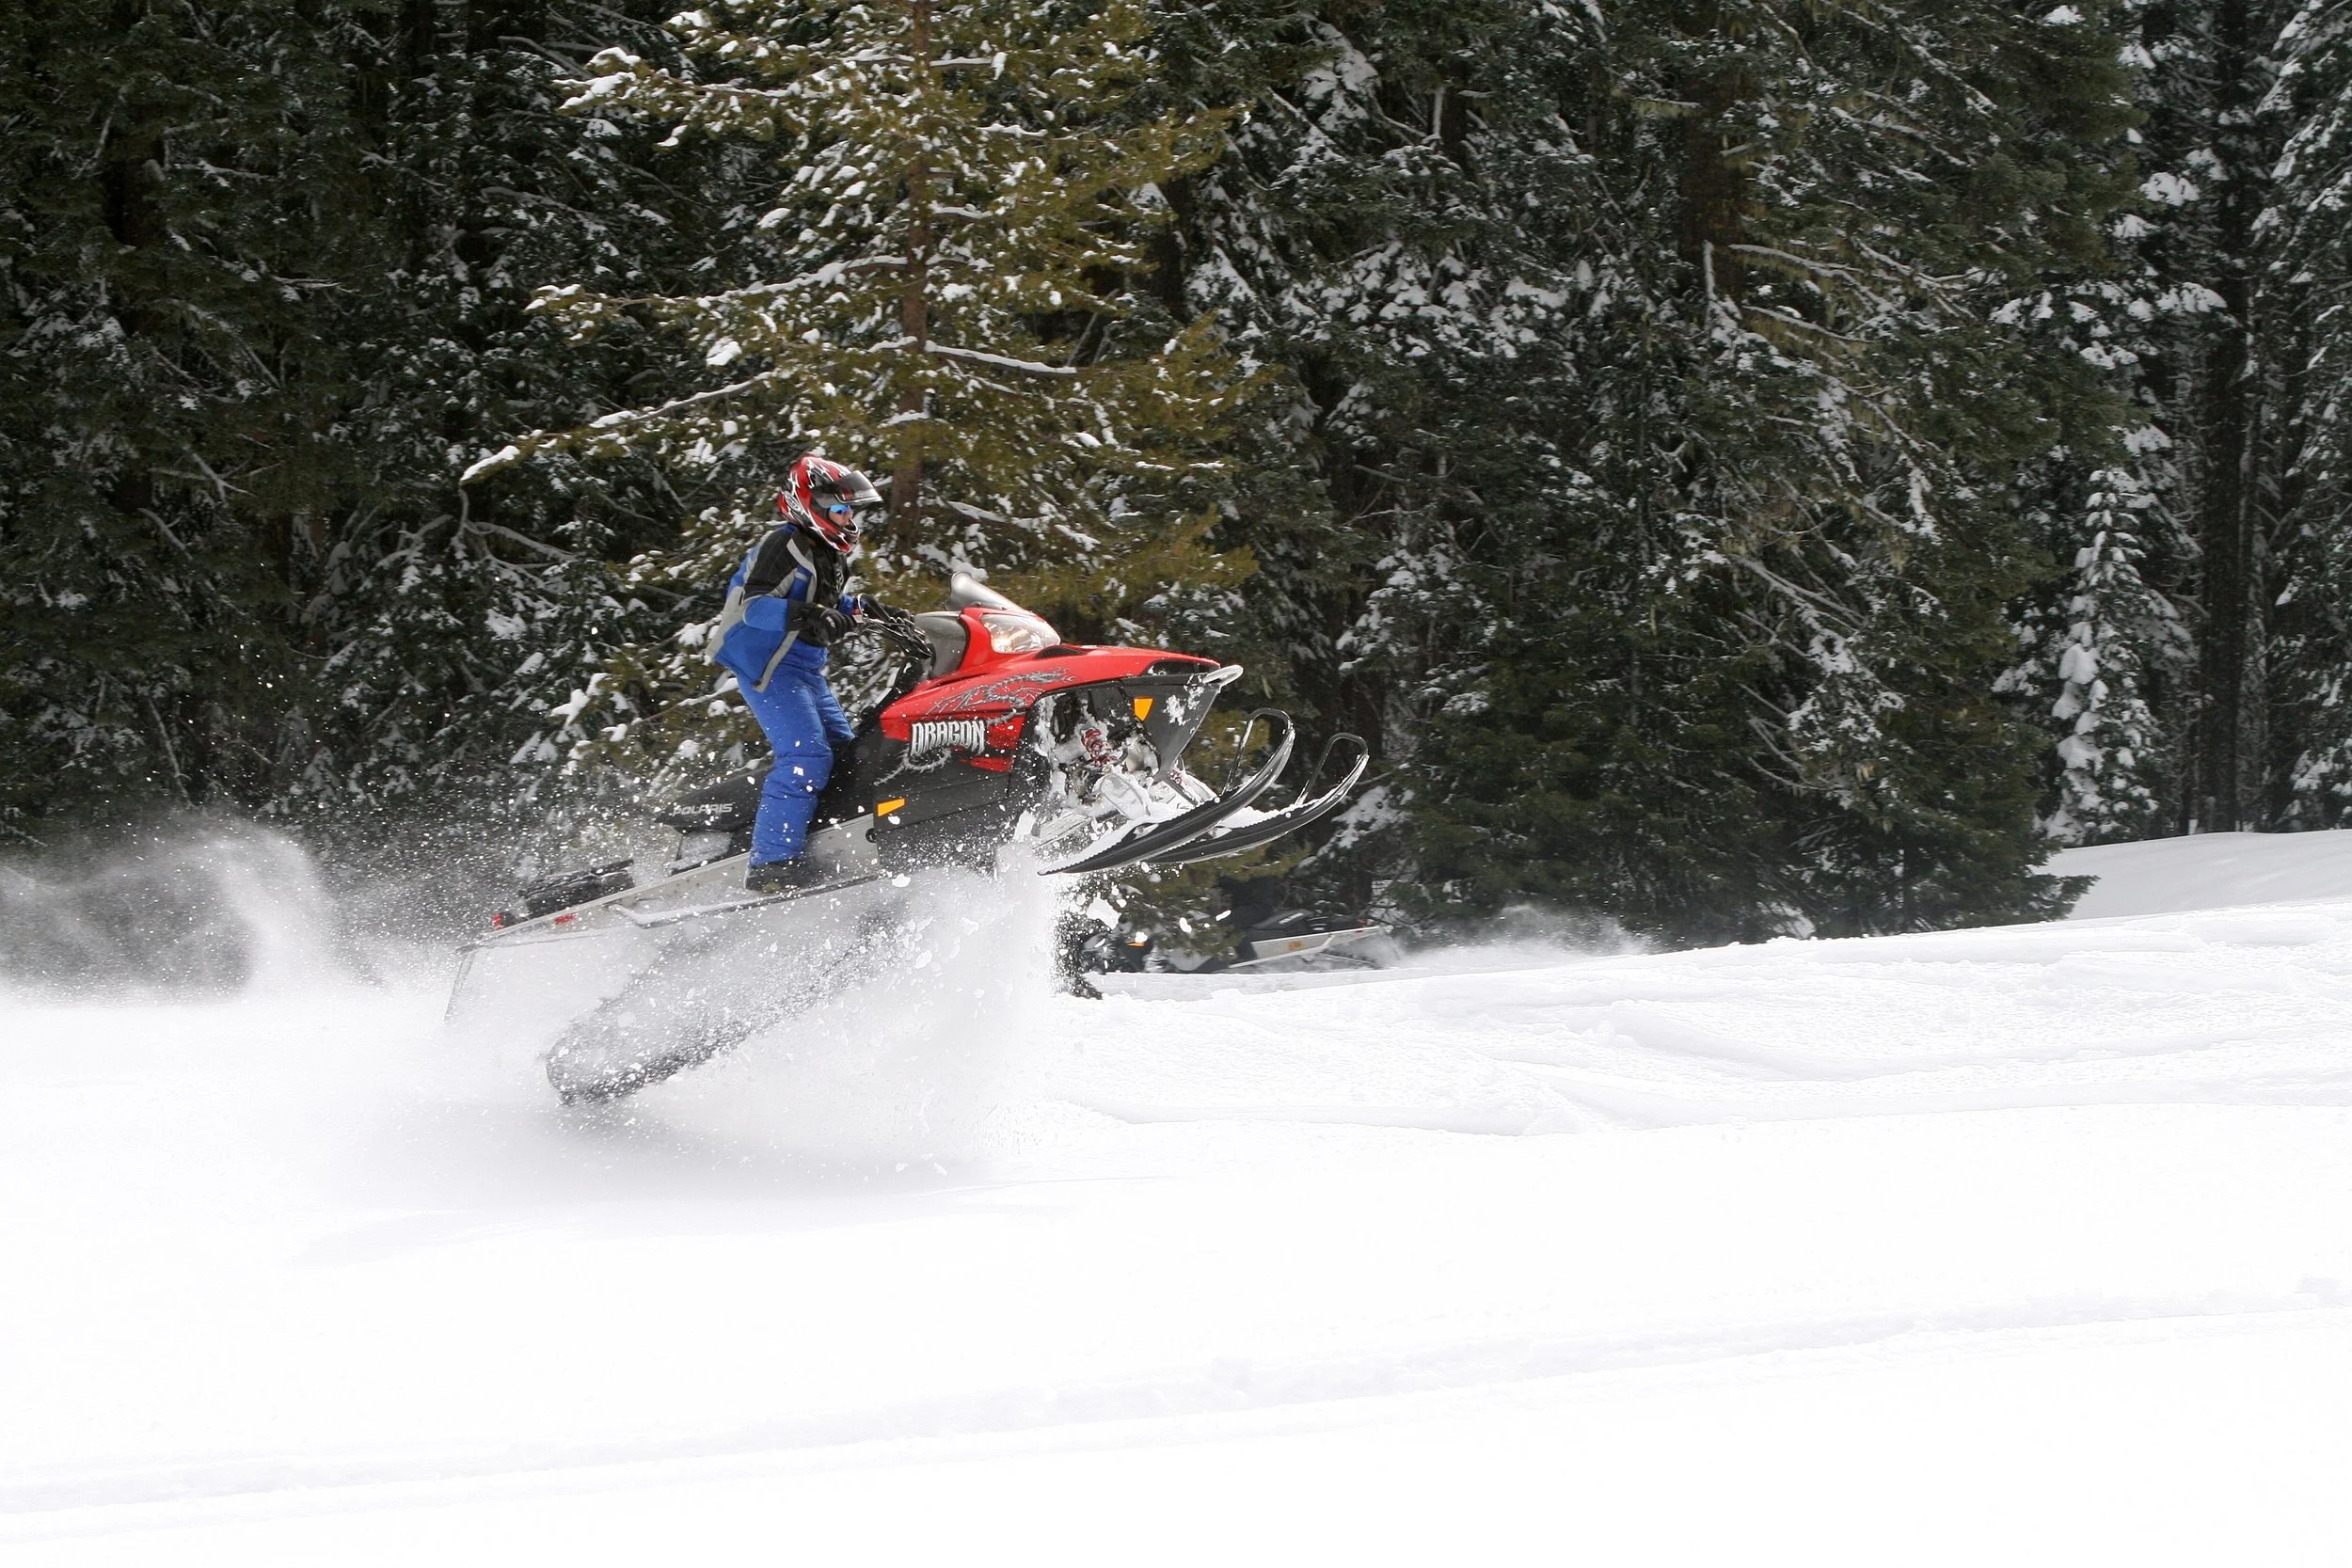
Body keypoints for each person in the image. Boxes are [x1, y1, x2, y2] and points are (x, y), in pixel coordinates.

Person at [709, 453, 888, 894]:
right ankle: (771, 863)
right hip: (769, 666)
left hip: (805, 668)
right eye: (840, 509)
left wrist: (865, 610)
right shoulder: (783, 545)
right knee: (806, 758)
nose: (848, 518)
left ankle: (829, 836)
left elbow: (825, 602)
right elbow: (753, 607)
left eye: (851, 510)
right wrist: (810, 615)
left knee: (846, 753)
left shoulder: (827, 553)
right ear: (810, 506)